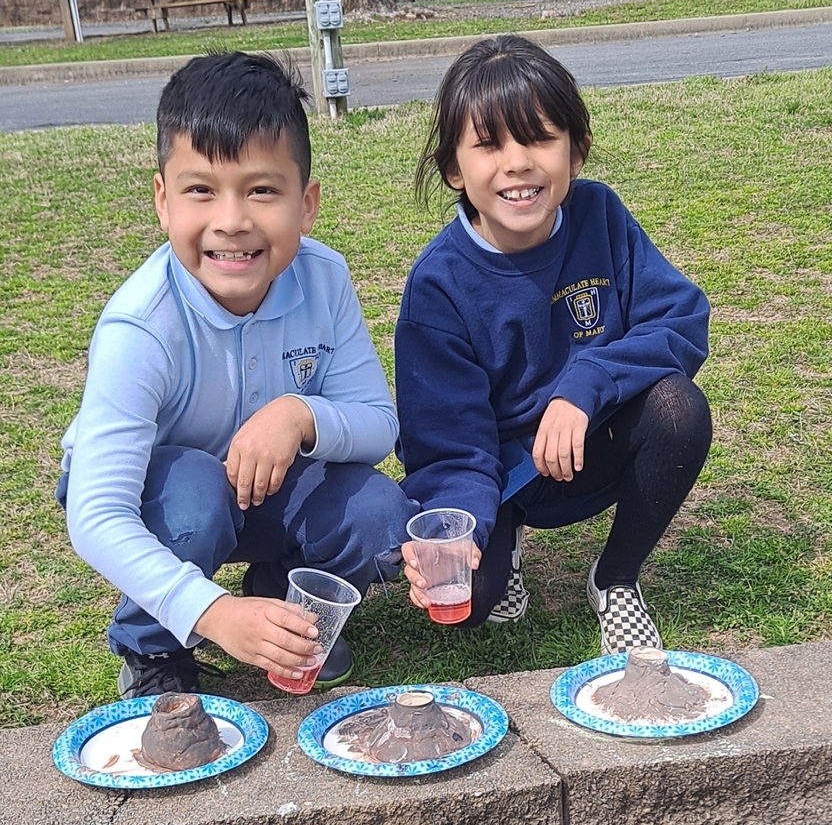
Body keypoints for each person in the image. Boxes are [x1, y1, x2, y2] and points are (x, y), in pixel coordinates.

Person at [58, 51, 417, 697]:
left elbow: (378, 424)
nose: (231, 220)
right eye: (201, 190)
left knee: (379, 515)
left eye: (261, 189)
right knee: (196, 497)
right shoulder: (141, 324)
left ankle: (284, 608)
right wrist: (213, 614)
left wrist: (299, 415)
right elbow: (95, 512)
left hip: (268, 485)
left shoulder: (323, 277)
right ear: (163, 201)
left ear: (305, 205)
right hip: (166, 495)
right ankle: (155, 647)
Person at [395, 35, 712, 653]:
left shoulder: (600, 215)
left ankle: (616, 578)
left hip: (592, 445)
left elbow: (681, 319)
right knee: (471, 604)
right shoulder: (437, 285)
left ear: (576, 149)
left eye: (539, 138)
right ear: (454, 167)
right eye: (489, 144)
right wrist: (464, 531)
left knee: (680, 408)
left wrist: (585, 386)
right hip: (498, 470)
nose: (517, 163)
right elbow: (448, 442)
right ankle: (503, 542)